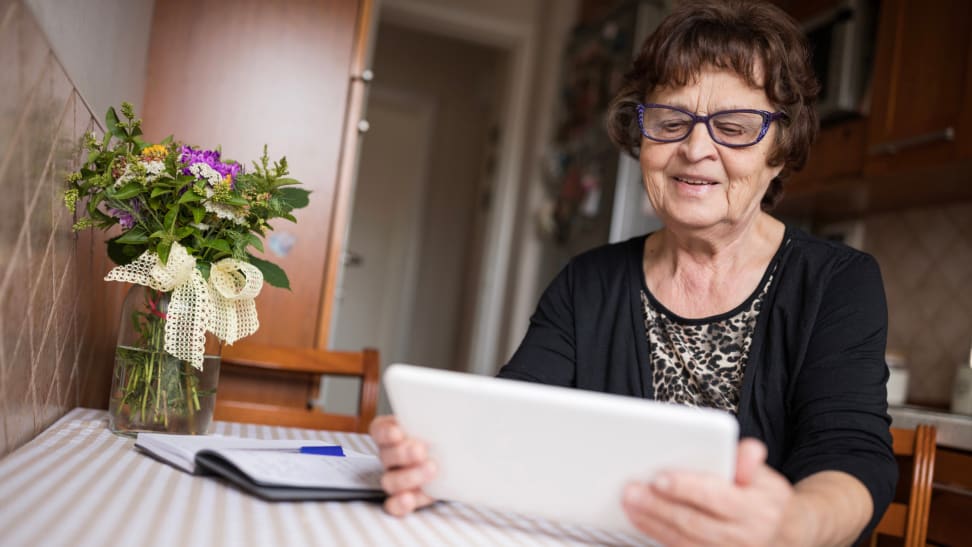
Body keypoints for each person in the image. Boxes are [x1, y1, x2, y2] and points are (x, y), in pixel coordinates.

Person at [370, 1, 896, 544]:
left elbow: (853, 456)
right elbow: (513, 423)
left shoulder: (838, 282)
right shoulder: (587, 282)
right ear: (641, 139)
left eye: (734, 128)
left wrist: (793, 524)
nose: (695, 150)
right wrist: (437, 461)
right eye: (671, 122)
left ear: (780, 151)